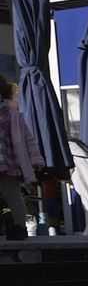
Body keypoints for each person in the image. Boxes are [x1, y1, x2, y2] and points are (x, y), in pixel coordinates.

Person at [0, 76, 43, 240]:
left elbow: (28, 139)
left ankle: (20, 227)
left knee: (13, 194)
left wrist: (36, 159)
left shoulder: (12, 115)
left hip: (8, 162)